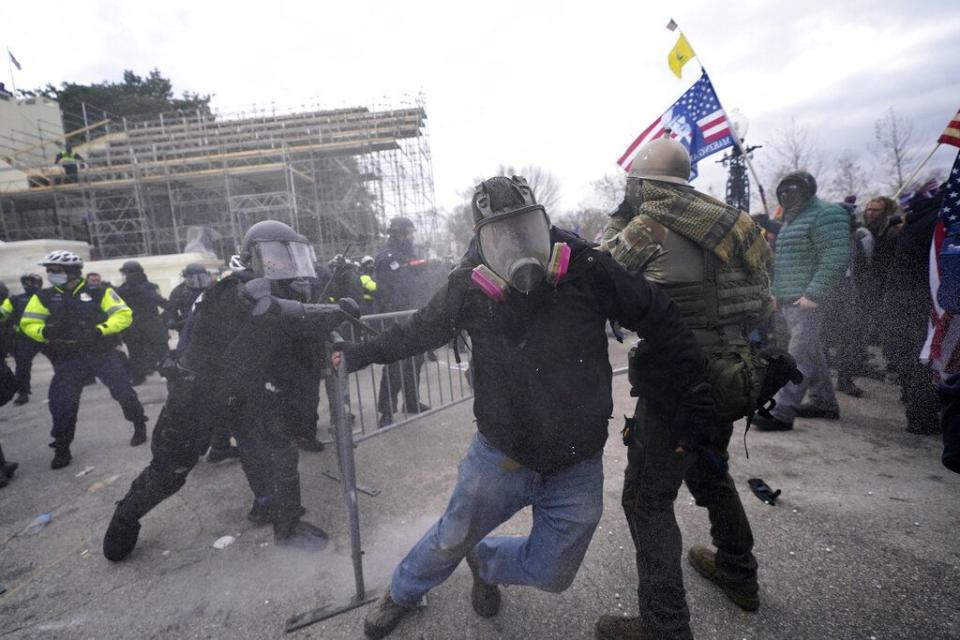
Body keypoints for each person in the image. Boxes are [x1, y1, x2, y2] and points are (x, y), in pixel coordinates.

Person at [333, 176, 711, 640]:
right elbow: (414, 334)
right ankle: (402, 592)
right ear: (480, 241)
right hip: (501, 455)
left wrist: (692, 392)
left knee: (553, 573)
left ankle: (485, 560)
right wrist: (355, 355)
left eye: (526, 228)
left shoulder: (589, 269)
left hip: (577, 462)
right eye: (500, 235)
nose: (518, 245)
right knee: (451, 535)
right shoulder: (467, 287)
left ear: (545, 224)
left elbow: (661, 316)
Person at [597, 138, 772, 639]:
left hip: (679, 379)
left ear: (643, 185)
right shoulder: (735, 222)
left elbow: (603, 275)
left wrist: (616, 219)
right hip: (736, 372)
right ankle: (739, 574)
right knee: (710, 469)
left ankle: (664, 626)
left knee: (646, 500)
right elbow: (763, 299)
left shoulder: (648, 224)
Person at [102, 221, 337, 562]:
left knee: (278, 453)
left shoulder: (274, 292)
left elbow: (290, 334)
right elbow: (266, 321)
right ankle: (124, 518)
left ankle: (283, 523)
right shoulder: (232, 292)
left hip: (243, 390)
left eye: (291, 256)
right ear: (253, 257)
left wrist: (331, 316)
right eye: (276, 256)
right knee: (171, 471)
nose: (285, 264)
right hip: (199, 395)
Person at [20, 251, 149, 468]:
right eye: (49, 271)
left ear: (72, 272)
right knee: (62, 403)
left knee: (123, 392)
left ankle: (138, 423)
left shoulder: (99, 291)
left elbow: (123, 315)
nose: (51, 274)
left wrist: (100, 330)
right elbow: (28, 323)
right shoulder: (44, 297)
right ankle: (62, 447)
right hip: (69, 357)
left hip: (102, 352)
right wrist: (45, 332)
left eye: (56, 270)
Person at [752, 172, 850, 431]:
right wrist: (777, 293)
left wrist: (814, 293)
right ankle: (824, 402)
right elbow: (785, 262)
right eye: (783, 191)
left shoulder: (827, 214)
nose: (786, 195)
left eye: (792, 190)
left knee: (798, 357)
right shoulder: (791, 220)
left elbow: (835, 256)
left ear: (807, 190)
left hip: (809, 300)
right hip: (790, 299)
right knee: (811, 351)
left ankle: (783, 412)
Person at [881, 189, 943, 435]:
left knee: (913, 354)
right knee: (923, 356)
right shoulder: (936, 222)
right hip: (923, 297)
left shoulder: (918, 219)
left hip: (902, 295)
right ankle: (922, 414)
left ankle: (917, 409)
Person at [374, 216, 431, 427]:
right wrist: (412, 269)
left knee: (415, 361)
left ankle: (412, 401)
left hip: (412, 316)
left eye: (411, 233)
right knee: (395, 364)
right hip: (395, 318)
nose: (410, 237)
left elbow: (419, 284)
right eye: (407, 233)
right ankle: (386, 410)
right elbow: (394, 288)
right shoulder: (386, 257)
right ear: (397, 233)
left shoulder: (408, 255)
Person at [117, 261, 170, 385]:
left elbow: (161, 302)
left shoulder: (149, 287)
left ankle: (167, 372)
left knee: (161, 351)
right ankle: (138, 375)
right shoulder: (122, 290)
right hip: (134, 326)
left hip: (150, 323)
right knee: (136, 352)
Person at [0, 274, 45, 405]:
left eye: (33, 282)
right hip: (25, 339)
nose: (29, 285)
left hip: (47, 336)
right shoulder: (15, 299)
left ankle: (84, 377)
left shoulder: (48, 297)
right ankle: (23, 393)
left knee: (65, 360)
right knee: (22, 366)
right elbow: (3, 312)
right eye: (27, 282)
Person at [165, 263, 213, 334]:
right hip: (188, 328)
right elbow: (171, 310)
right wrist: (173, 321)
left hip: (210, 325)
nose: (198, 281)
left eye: (201, 278)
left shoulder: (212, 289)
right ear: (186, 278)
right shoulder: (179, 291)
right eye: (193, 278)